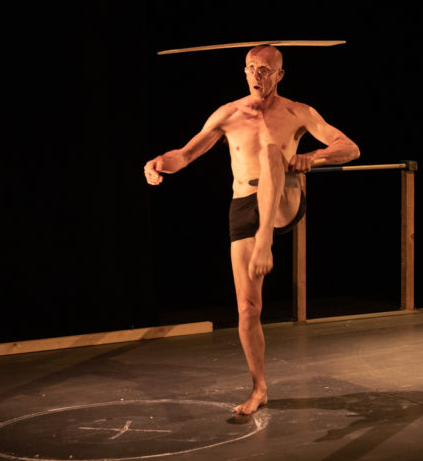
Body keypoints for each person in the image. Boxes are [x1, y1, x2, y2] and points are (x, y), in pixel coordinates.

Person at [143, 44, 359, 415]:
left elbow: (350, 148)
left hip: (284, 200)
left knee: (271, 153)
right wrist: (159, 163)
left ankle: (265, 242)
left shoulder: (297, 112)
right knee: (247, 308)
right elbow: (186, 154)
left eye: (265, 70)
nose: (257, 75)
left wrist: (312, 156)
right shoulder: (228, 114)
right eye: (251, 68)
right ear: (244, 71)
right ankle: (259, 388)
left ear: (280, 75)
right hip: (244, 206)